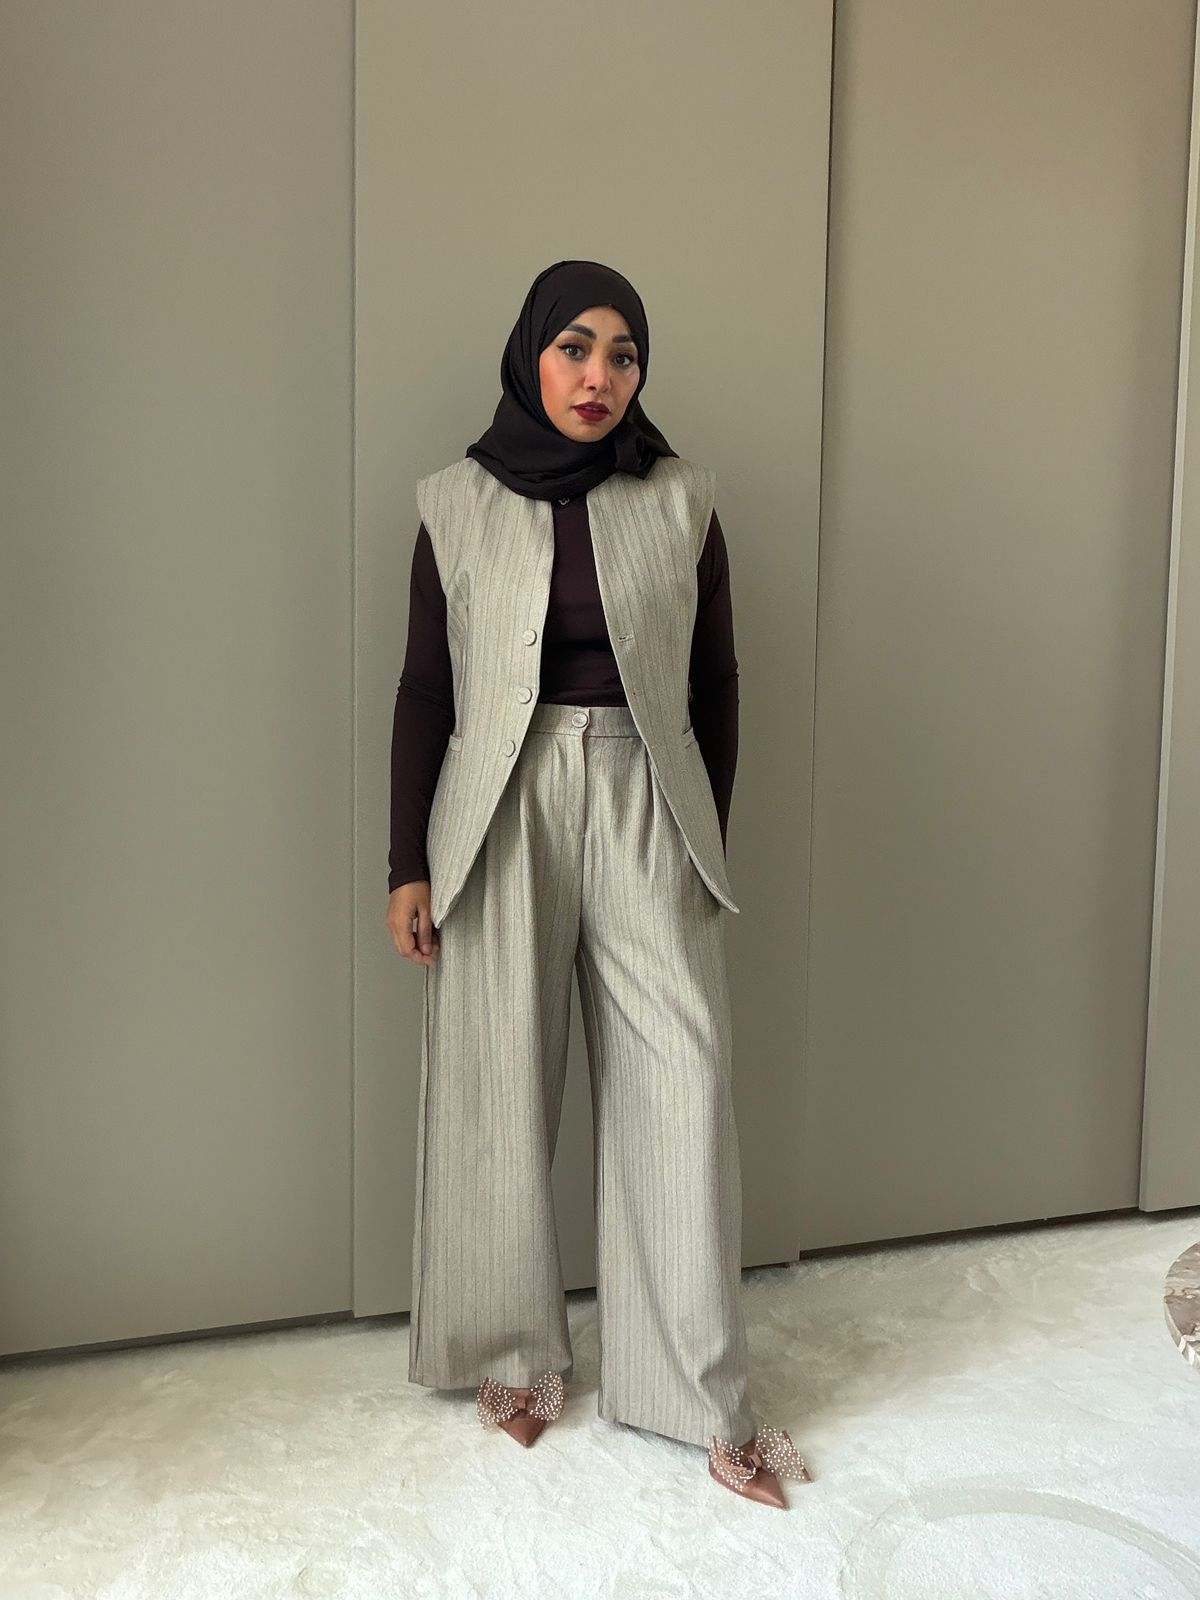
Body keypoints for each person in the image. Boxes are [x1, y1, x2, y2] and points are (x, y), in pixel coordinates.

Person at [385, 259, 812, 1508]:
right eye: (574, 347)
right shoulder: (454, 503)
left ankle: (700, 1393)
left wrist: (702, 832)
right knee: (497, 1080)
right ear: (532, 355)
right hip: (497, 799)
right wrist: (407, 862)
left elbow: (716, 681)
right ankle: (513, 1353)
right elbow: (425, 689)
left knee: (683, 1081)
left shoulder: (680, 502)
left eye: (623, 354)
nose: (598, 375)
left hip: (643, 795)